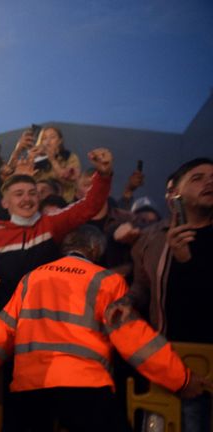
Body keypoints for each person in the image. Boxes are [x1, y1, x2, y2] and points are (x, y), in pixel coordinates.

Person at [0, 225, 211, 432]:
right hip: (86, 386)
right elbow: (135, 339)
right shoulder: (106, 280)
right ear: (94, 248)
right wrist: (181, 379)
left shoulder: (33, 277)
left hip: (30, 385)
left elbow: (2, 330)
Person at [126, 157, 213, 430]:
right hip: (168, 358)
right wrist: (126, 300)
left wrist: (187, 260)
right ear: (174, 193)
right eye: (197, 178)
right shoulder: (151, 237)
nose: (209, 182)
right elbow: (142, 287)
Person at [0, 147, 113, 319]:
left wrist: (104, 175)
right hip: (7, 320)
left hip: (48, 317)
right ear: (5, 202)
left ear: (38, 198)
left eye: (32, 193)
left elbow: (89, 206)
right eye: (18, 194)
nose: (26, 199)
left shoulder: (52, 224)